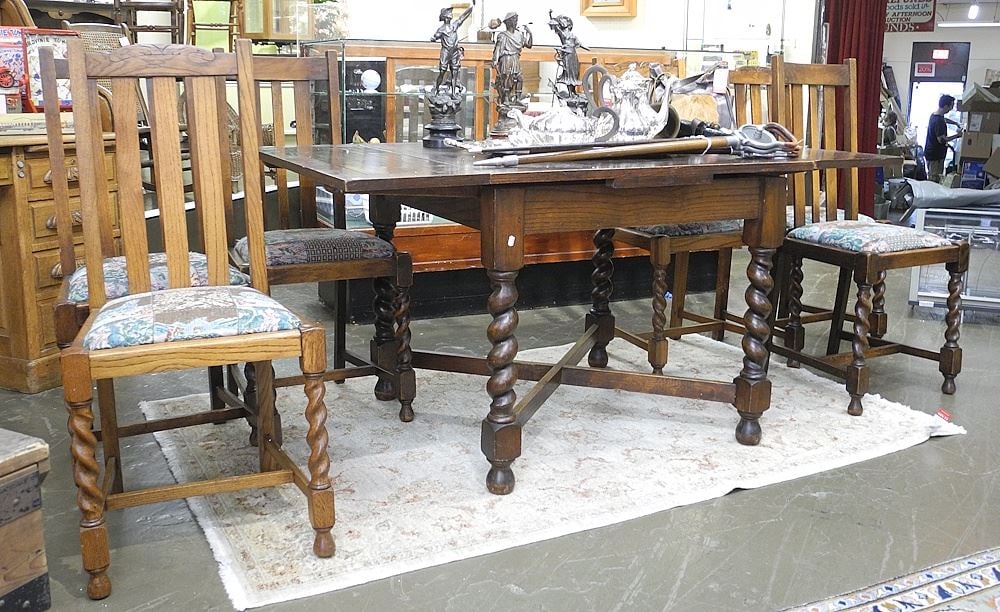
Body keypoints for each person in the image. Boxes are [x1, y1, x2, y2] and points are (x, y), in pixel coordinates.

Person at [431, 1, 475, 94]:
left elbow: (463, 17)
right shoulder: (441, 30)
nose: (451, 15)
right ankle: (437, 88)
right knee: (442, 71)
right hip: (445, 52)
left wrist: (472, 7)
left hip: (454, 52)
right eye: (449, 13)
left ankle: (453, 92)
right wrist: (433, 38)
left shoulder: (454, 25)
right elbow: (435, 36)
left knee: (454, 73)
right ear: (445, 16)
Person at [492, 11, 532, 109]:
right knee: (507, 78)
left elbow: (529, 45)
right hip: (507, 59)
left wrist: (529, 33)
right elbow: (498, 48)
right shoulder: (503, 35)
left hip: (515, 58)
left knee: (519, 78)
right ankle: (505, 98)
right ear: (509, 22)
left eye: (516, 20)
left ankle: (517, 99)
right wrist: (495, 60)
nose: (516, 22)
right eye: (514, 20)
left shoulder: (519, 35)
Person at [924, 94, 963, 184]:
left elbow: (945, 119)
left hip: (931, 152)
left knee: (932, 176)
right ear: (946, 106)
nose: (951, 109)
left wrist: (955, 123)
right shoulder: (938, 121)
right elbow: (941, 140)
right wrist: (957, 135)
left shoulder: (935, 115)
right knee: (934, 180)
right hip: (935, 156)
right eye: (951, 106)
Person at [547, 11, 586, 98]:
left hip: (573, 55)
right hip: (567, 56)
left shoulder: (573, 35)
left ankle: (573, 91)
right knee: (569, 74)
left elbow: (580, 44)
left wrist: (587, 48)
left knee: (574, 73)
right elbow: (555, 25)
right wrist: (550, 16)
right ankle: (570, 93)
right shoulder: (562, 34)